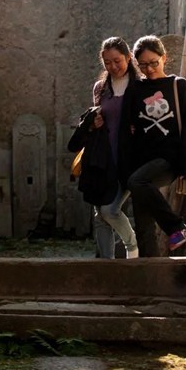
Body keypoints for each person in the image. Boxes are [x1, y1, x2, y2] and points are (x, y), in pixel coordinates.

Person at [120, 35, 186, 257]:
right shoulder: (135, 90)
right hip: (142, 161)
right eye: (143, 65)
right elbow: (128, 128)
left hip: (169, 160)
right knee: (143, 223)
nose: (149, 69)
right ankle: (148, 269)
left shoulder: (178, 86)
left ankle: (177, 227)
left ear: (164, 58)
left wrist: (185, 164)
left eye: (154, 62)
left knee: (137, 181)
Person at [70, 36, 139, 259]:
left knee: (109, 210)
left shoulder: (140, 87)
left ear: (128, 57)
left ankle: (131, 245)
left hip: (128, 160)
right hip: (102, 159)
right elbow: (96, 121)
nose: (113, 66)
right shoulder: (101, 89)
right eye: (107, 62)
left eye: (117, 61)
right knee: (100, 215)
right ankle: (106, 267)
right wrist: (93, 125)